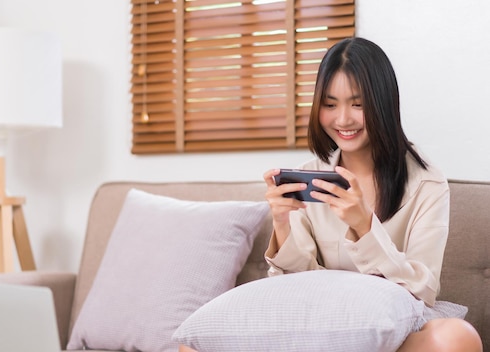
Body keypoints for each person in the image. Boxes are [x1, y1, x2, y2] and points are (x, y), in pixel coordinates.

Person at [178, 37, 482, 352]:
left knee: (456, 338)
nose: (343, 119)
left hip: (395, 336)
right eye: (330, 104)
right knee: (191, 346)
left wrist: (365, 226)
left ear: (383, 103)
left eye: (358, 104)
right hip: (319, 329)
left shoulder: (426, 184)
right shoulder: (309, 177)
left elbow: (423, 287)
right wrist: (283, 223)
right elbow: (294, 287)